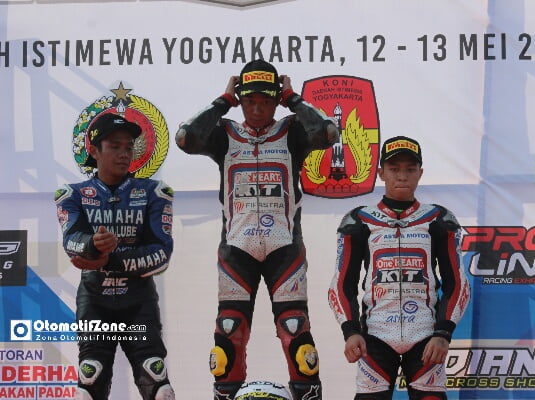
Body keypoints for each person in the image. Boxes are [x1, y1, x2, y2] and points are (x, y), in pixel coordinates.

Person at [175, 59, 339, 400]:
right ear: (241, 100)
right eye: (249, 101)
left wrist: (293, 98)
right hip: (237, 249)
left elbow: (328, 133)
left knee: (296, 333)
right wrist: (223, 100)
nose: (257, 108)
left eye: (266, 101)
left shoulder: (292, 132)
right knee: (228, 335)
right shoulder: (225, 135)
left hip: (285, 249)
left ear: (276, 100)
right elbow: (185, 138)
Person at [328, 136, 471, 400]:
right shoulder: (358, 220)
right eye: (394, 169)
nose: (402, 176)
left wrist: (443, 334)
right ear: (381, 173)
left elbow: (458, 283)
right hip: (376, 336)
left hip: (426, 336)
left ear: (420, 173)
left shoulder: (439, 218)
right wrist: (350, 331)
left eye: (410, 169)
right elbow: (341, 283)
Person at [54, 113, 176, 400]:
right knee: (89, 384)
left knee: (159, 387)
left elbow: (161, 253)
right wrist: (92, 244)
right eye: (114, 146)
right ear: (94, 151)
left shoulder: (154, 192)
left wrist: (108, 260)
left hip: (139, 303)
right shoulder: (72, 195)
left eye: (128, 147)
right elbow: (71, 241)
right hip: (95, 302)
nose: (124, 154)